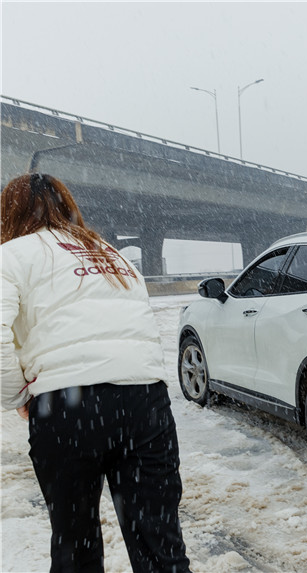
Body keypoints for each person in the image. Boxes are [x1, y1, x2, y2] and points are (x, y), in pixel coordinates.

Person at [1, 173, 191, 572]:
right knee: (160, 546)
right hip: (144, 402)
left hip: (68, 408)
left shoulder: (11, 255)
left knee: (76, 546)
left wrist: (20, 397)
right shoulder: (109, 252)